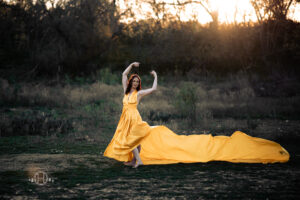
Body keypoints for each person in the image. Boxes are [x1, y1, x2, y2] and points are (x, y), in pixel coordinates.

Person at [103, 62, 290, 168]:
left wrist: (155, 76)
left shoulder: (138, 94)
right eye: (133, 81)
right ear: (130, 82)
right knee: (128, 139)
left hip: (134, 118)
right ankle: (137, 160)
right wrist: (133, 65)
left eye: (137, 82)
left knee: (132, 139)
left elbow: (154, 88)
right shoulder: (125, 92)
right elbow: (122, 73)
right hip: (124, 119)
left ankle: (139, 161)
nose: (135, 83)